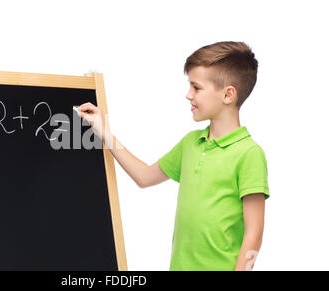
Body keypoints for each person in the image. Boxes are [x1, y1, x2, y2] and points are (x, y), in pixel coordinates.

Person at [76, 41, 269, 271]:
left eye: (196, 88)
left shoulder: (249, 154)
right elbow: (144, 177)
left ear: (228, 95)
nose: (188, 95)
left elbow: (254, 234)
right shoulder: (190, 144)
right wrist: (104, 132)